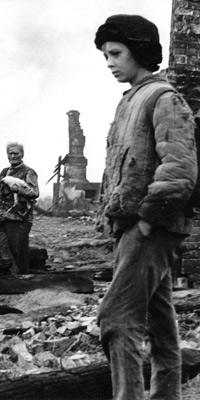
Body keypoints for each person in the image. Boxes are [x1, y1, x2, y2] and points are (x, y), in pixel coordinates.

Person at [94, 15, 197, 400]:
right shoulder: (130, 100)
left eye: (116, 53)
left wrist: (149, 223)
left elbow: (180, 168)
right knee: (159, 320)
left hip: (149, 227)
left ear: (139, 50)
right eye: (106, 55)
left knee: (117, 319)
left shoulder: (164, 98)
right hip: (132, 228)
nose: (109, 62)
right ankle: (166, 395)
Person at [0, 142, 39, 274]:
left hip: (19, 219)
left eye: (16, 153)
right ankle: (13, 277)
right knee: (3, 248)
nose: (13, 156)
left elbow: (34, 192)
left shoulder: (29, 172)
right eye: (10, 153)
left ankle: (22, 279)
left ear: (22, 154)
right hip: (3, 218)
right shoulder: (5, 172)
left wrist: (19, 190)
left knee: (19, 251)